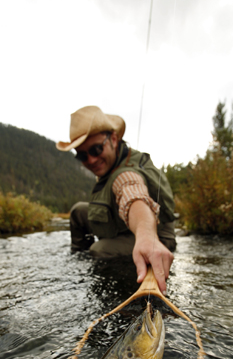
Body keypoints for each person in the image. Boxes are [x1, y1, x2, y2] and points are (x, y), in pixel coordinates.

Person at [56, 106, 176, 294]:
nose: (91, 160)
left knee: (99, 250)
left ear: (113, 139)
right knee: (78, 211)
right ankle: (80, 263)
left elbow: (132, 192)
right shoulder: (111, 163)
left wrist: (146, 237)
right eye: (82, 155)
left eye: (96, 149)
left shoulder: (125, 172)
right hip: (122, 222)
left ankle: (127, 277)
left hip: (159, 235)